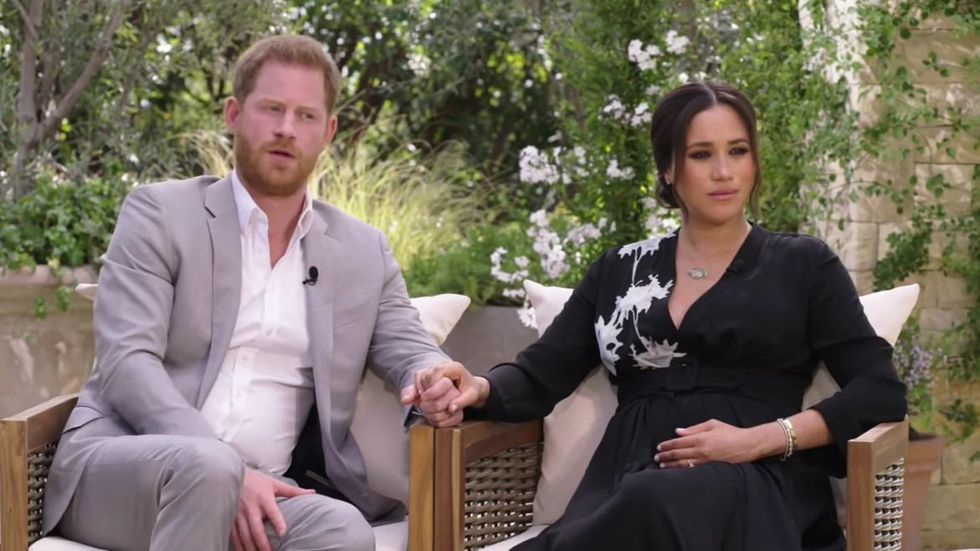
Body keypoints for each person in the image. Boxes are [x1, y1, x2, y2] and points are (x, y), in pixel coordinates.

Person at [407, 81, 907, 550]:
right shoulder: (619, 271)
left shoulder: (803, 265)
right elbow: (540, 375)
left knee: (654, 500)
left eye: (738, 151)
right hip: (629, 482)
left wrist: (760, 440)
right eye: (701, 154)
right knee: (645, 499)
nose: (724, 172)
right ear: (668, 168)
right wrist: (477, 388)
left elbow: (879, 390)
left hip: (759, 483)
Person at [42, 34, 463, 551]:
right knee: (210, 467)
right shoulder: (160, 214)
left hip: (266, 490)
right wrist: (229, 468)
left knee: (344, 532)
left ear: (328, 131)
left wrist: (433, 376)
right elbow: (127, 363)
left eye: (306, 116)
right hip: (126, 472)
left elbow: (408, 345)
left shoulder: (362, 251)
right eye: (272, 109)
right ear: (234, 114)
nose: (287, 128)